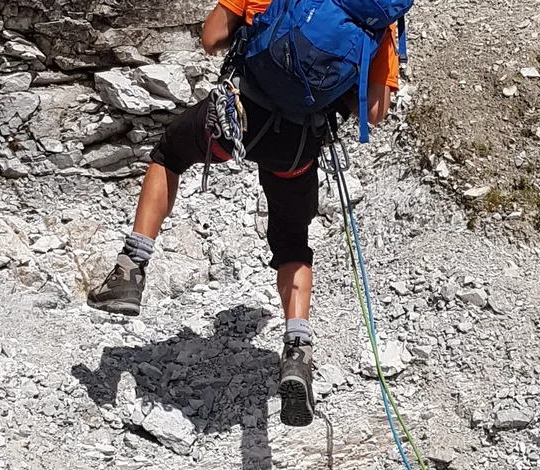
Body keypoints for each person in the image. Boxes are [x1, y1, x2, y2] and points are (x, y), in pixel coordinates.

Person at [86, 0, 401, 428]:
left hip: (237, 117)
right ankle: (297, 350)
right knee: (292, 242)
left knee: (170, 153)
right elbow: (376, 111)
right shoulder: (379, 18)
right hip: (296, 144)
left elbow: (212, 38)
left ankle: (130, 269)